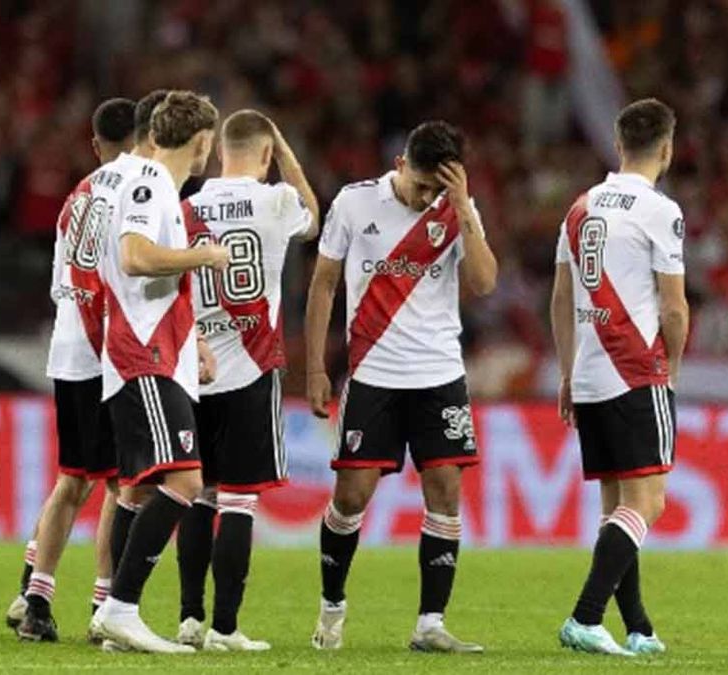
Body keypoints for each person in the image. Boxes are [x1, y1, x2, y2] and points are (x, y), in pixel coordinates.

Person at [305, 121, 497, 652]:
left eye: (437, 189)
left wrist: (462, 209)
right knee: (351, 497)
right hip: (374, 375)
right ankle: (332, 605)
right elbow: (323, 284)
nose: (425, 198)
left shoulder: (456, 210)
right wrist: (317, 368)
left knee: (446, 493)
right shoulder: (354, 203)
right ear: (399, 166)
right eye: (420, 186)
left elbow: (484, 283)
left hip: (439, 374)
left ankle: (430, 624)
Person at [88, 90, 230, 654]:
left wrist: (193, 340)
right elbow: (135, 257)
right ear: (201, 142)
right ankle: (120, 610)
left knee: (141, 489)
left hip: (158, 351)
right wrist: (204, 255)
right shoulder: (149, 183)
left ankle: (115, 614)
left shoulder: (158, 186)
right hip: (141, 353)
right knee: (187, 482)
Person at [173, 109, 319, 652]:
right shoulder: (276, 200)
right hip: (251, 369)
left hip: (195, 369)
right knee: (238, 503)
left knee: (197, 496)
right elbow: (314, 219)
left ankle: (190, 619)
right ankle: (225, 628)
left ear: (217, 153)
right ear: (267, 154)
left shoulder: (187, 208)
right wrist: (286, 156)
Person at [551, 98, 686, 657]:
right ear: (667, 149)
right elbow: (673, 308)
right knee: (648, 502)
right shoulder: (660, 210)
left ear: (618, 144)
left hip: (588, 371)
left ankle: (638, 627)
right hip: (634, 369)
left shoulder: (579, 208)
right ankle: (585, 617)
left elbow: (561, 298)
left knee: (616, 508)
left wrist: (567, 373)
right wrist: (671, 370)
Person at [10, 98, 136, 643]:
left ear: (95, 144)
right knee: (119, 483)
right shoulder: (142, 190)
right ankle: (104, 606)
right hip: (109, 350)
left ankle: (35, 597)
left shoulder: (76, 196)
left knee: (73, 477)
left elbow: (62, 281)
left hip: (69, 349)